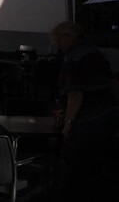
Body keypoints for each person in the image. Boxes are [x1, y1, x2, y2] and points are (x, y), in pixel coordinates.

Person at [50, 21, 117, 199]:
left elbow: (75, 93)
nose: (58, 45)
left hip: (89, 119)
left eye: (60, 41)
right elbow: (111, 83)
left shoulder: (75, 56)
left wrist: (68, 123)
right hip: (107, 115)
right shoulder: (93, 52)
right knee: (98, 164)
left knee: (76, 164)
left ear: (69, 37)